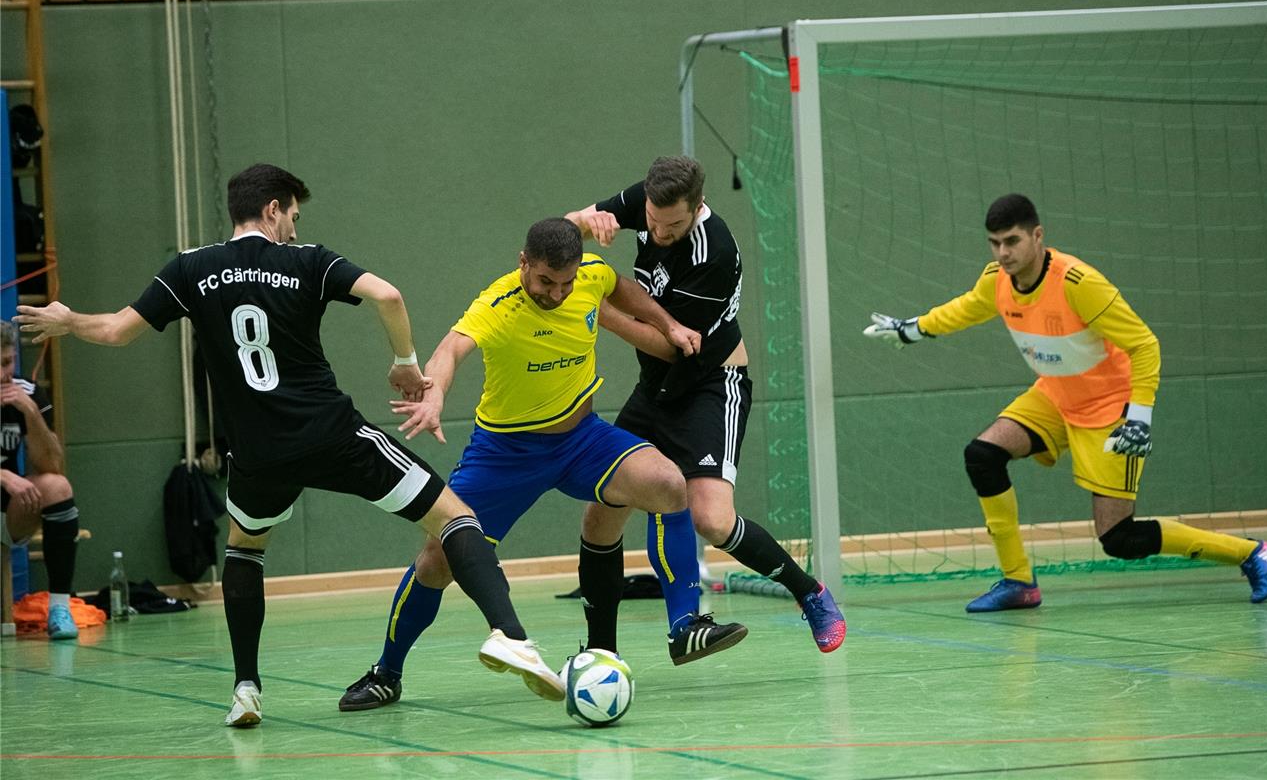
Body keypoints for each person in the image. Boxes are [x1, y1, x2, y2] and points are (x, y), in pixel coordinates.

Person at [15, 163, 561, 727]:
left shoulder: (190, 270)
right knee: (456, 520)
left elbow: (115, 331)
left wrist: (68, 319)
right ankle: (510, 635)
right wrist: (404, 365)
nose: (295, 229)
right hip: (331, 435)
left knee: (245, 550)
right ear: (273, 208)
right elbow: (389, 296)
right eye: (293, 216)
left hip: (256, 452)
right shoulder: (307, 261)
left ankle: (246, 688)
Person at [337, 217, 748, 712]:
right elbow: (452, 348)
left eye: (566, 282)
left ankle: (685, 627)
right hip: (505, 453)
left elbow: (620, 288)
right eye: (545, 282)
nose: (556, 292)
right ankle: (387, 671)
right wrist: (435, 394)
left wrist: (670, 324)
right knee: (436, 560)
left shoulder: (590, 274)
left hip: (582, 439)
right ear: (523, 263)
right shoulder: (498, 304)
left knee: (667, 483)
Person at [862, 193, 1267, 611]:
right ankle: (1018, 581)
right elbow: (968, 307)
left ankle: (1250, 553)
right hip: (1055, 396)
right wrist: (913, 329)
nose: (1003, 253)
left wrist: (1139, 417)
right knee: (983, 455)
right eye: (994, 243)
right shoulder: (998, 281)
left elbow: (1145, 345)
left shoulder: (1079, 284)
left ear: (1037, 235)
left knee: (1119, 538)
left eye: (1011, 241)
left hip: (1109, 409)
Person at [564, 156, 846, 658]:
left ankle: (810, 593)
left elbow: (671, 345)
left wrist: (596, 309)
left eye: (672, 224)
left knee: (711, 520)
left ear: (696, 209)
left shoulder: (714, 252)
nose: (658, 230)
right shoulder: (647, 201)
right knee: (599, 519)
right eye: (651, 221)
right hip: (656, 390)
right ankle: (600, 651)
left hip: (710, 384)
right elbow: (564, 233)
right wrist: (586, 222)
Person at [1, 320, 82, 640]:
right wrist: (4, 474)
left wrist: (30, 412)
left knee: (57, 487)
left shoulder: (28, 392)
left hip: (9, 512)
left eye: (7, 363)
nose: (2, 374)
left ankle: (59, 608)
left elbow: (53, 465)